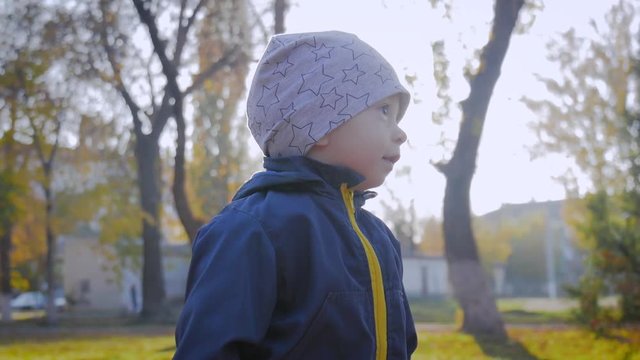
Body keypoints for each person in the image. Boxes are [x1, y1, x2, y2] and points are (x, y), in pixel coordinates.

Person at [174, 30, 417, 359]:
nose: (400, 133)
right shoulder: (250, 230)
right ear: (320, 125)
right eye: (384, 110)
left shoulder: (380, 238)